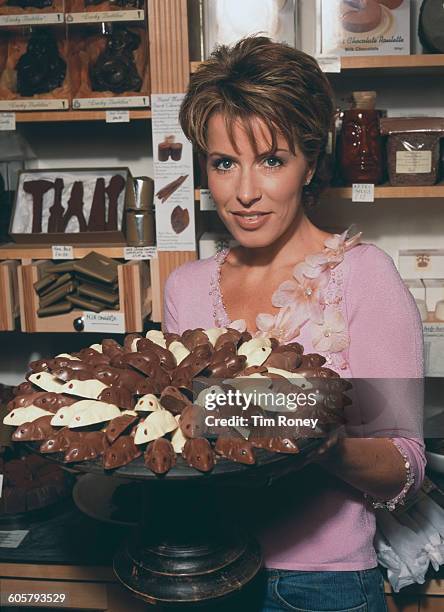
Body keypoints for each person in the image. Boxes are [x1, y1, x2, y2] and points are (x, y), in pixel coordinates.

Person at [163, 36, 425, 611]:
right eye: (224, 163)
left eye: (272, 160)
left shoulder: (363, 277)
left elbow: (406, 464)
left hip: (321, 586)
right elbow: (190, 441)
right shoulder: (184, 287)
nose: (245, 192)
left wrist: (329, 446)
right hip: (205, 568)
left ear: (310, 162)